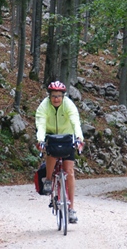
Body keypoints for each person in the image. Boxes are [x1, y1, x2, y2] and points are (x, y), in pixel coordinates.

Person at [35, 81, 84, 223]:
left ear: (63, 96)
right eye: (53, 96)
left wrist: (79, 138)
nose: (56, 99)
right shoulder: (43, 107)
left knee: (70, 172)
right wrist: (40, 140)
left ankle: (71, 209)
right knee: (51, 156)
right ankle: (49, 180)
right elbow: (41, 124)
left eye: (59, 96)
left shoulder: (69, 105)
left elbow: (75, 121)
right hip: (51, 137)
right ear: (49, 96)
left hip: (67, 137)